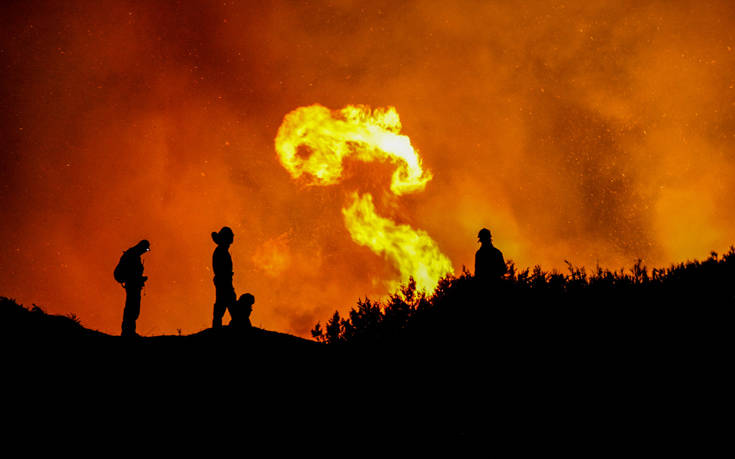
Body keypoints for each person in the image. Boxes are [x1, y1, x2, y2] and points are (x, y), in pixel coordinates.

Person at [115, 239, 150, 337]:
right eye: (146, 249)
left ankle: (129, 331)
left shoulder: (133, 255)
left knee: (132, 308)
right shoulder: (133, 256)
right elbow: (132, 273)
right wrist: (139, 279)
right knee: (132, 308)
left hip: (133, 285)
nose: (146, 251)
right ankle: (127, 332)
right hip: (132, 285)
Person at [211, 226, 236, 328]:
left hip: (224, 282)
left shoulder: (221, 251)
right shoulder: (221, 252)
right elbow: (222, 271)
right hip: (224, 283)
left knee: (222, 307)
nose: (229, 244)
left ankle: (217, 329)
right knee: (226, 307)